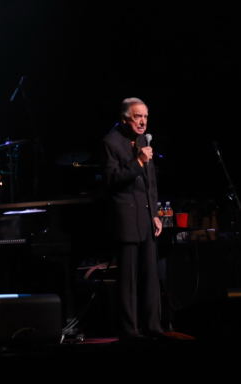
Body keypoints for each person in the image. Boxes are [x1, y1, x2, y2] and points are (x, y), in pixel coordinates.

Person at [102, 97, 163, 339]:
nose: (143, 122)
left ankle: (153, 327)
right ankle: (130, 330)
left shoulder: (143, 140)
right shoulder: (110, 142)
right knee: (128, 279)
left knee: (151, 276)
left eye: (145, 117)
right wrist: (138, 161)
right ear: (125, 118)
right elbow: (111, 180)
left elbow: (151, 182)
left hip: (146, 217)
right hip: (126, 217)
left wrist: (155, 214)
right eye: (138, 117)